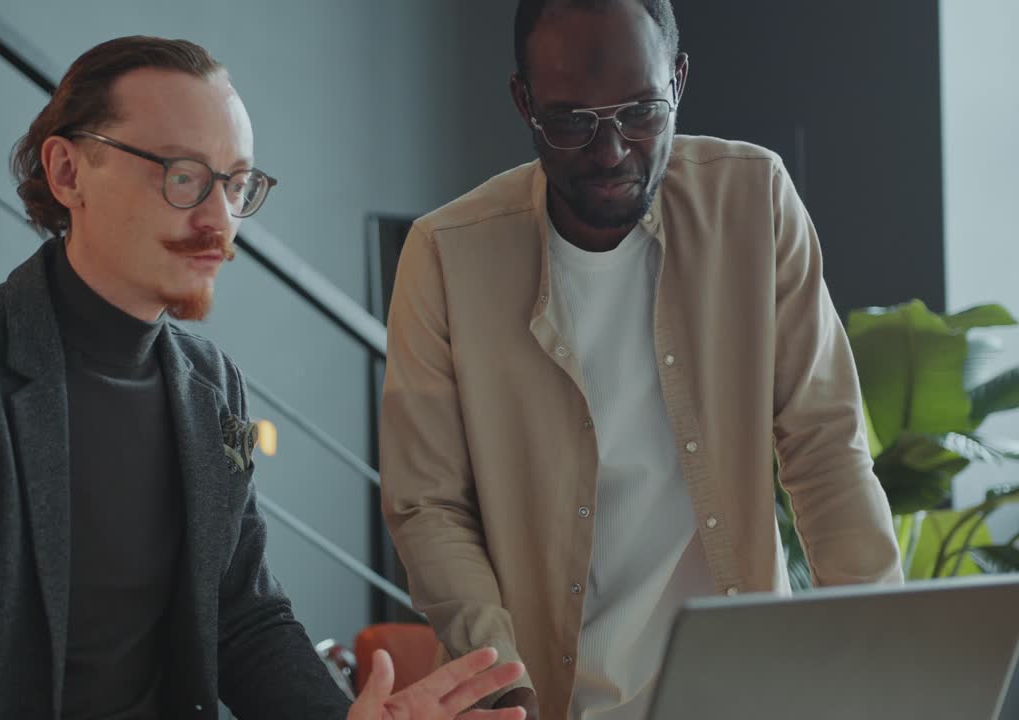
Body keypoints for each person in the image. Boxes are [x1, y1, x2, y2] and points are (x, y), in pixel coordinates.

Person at [0, 36, 526, 720]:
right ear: (68, 171)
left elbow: (241, 617)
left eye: (237, 183)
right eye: (184, 177)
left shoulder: (211, 385)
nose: (220, 220)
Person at [378, 1, 903, 718]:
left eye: (641, 112)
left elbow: (824, 448)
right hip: (540, 698)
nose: (612, 150)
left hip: (737, 693)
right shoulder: (446, 255)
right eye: (570, 121)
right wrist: (500, 686)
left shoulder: (753, 200)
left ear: (678, 80)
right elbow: (428, 505)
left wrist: (887, 666)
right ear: (522, 103)